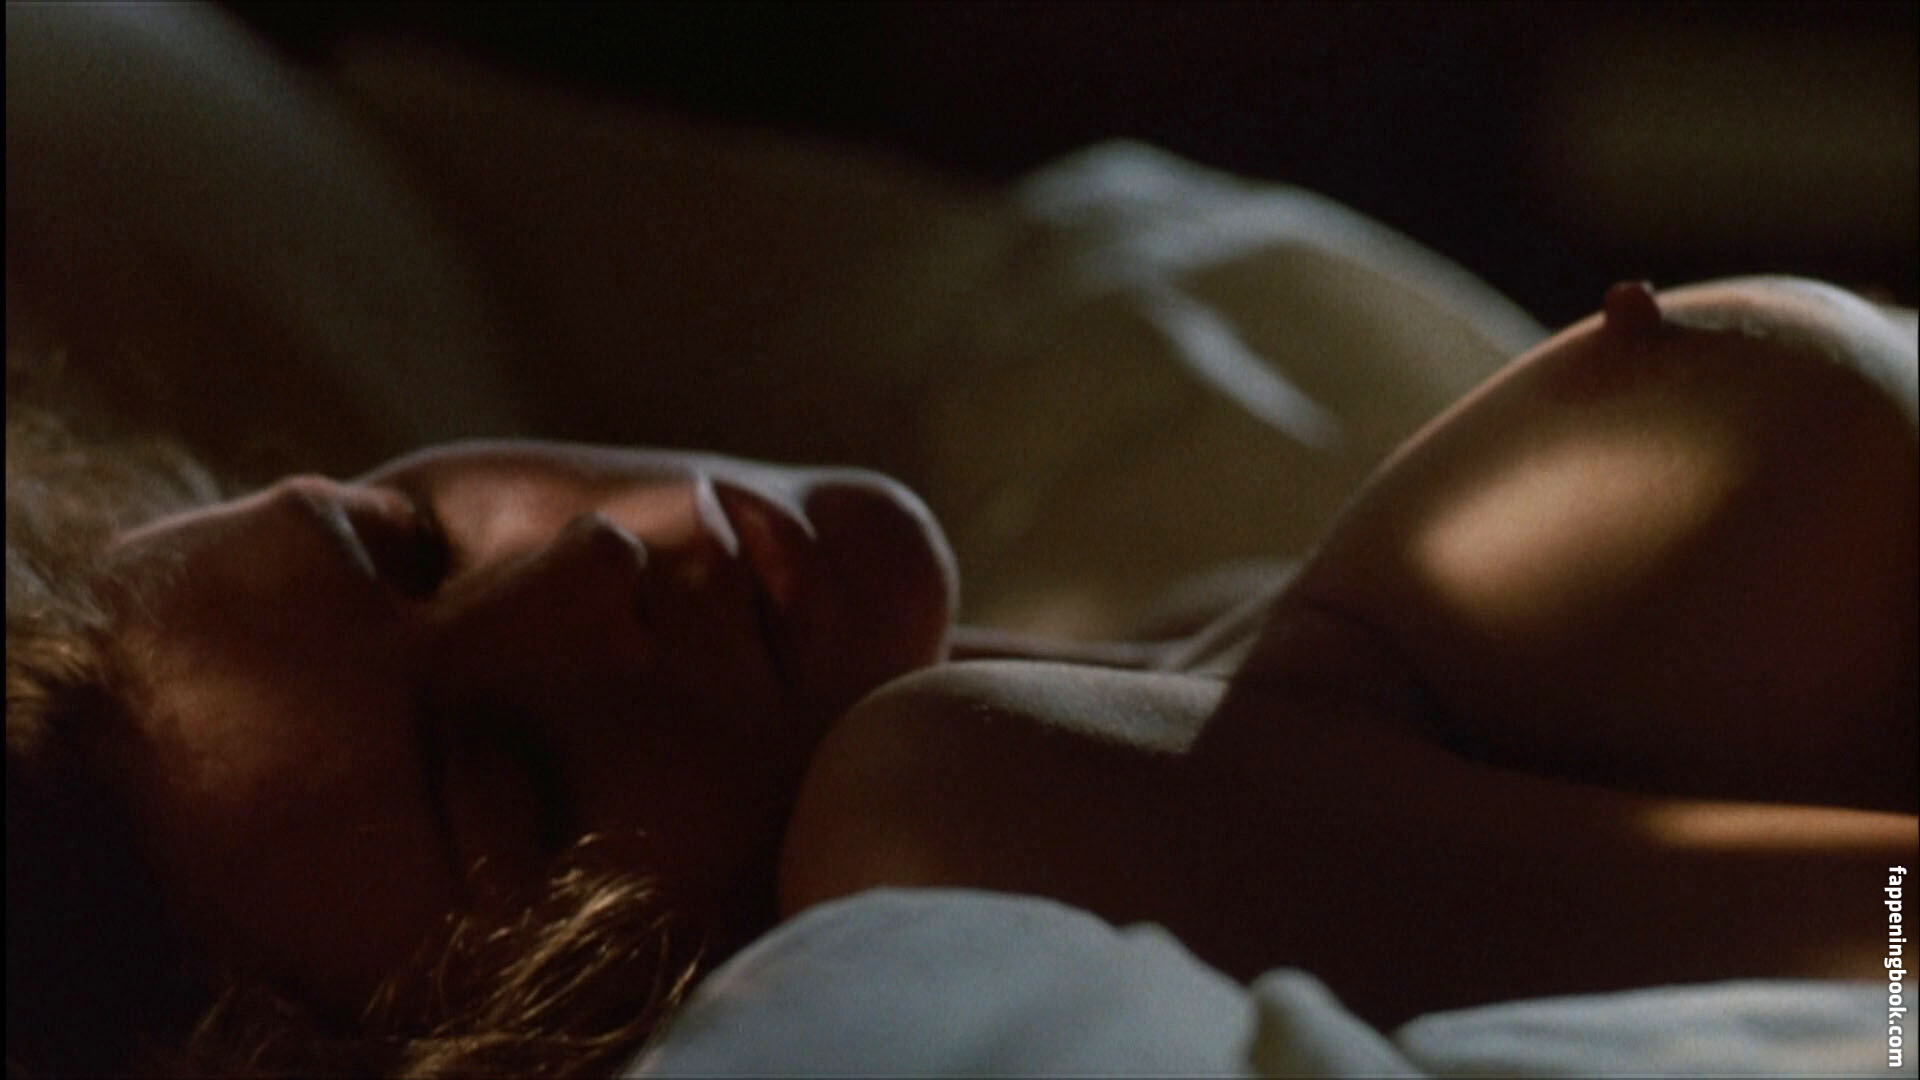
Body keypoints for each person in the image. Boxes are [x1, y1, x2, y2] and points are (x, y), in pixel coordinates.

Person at [7, 277, 1916, 1077]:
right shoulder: (940, 804)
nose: (579, 573)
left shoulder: (1156, 679)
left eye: (405, 544)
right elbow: (1879, 937)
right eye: (518, 778)